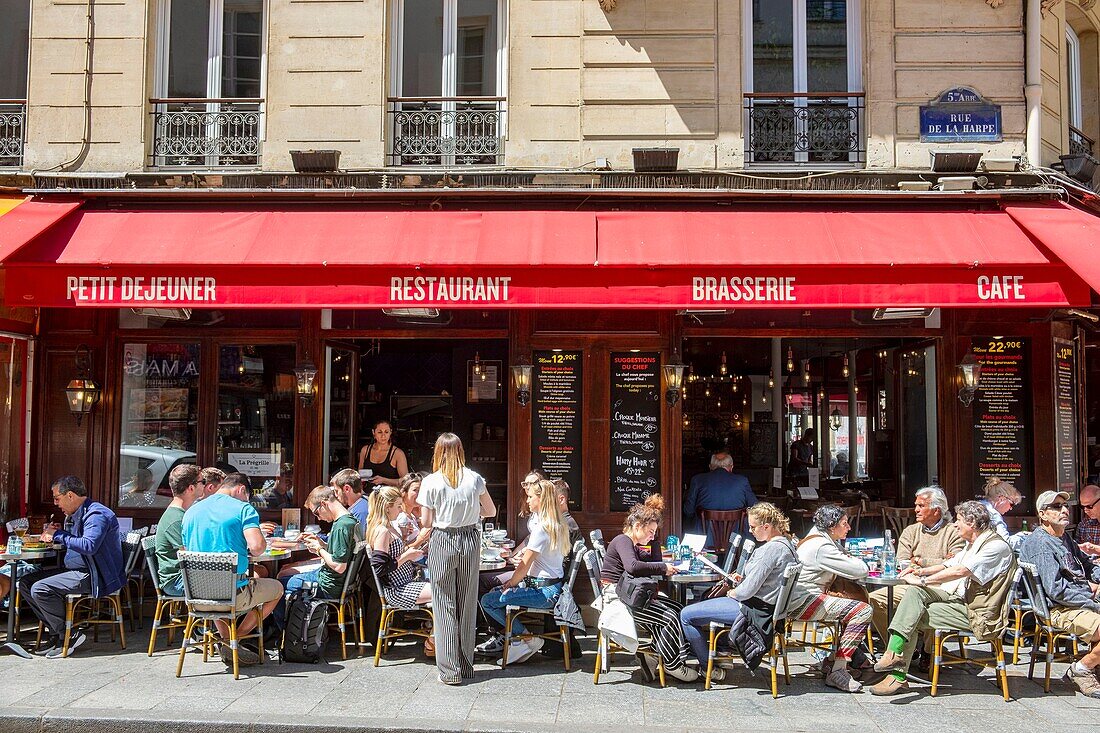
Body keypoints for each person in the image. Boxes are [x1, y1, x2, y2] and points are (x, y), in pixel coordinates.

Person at [870, 500, 1016, 696]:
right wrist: (919, 571)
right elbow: (948, 564)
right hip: (958, 598)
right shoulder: (973, 544)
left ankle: (897, 676)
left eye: (959, 520)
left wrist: (923, 581)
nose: (955, 524)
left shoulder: (995, 546)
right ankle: (892, 655)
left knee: (911, 614)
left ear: (971, 523)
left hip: (978, 612)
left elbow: (960, 570)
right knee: (912, 596)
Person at [679, 502, 806, 683]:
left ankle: (709, 668)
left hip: (751, 611)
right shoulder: (787, 546)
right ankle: (720, 653)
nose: (751, 531)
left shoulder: (770, 550)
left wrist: (731, 592)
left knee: (686, 615)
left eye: (753, 527)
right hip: (769, 612)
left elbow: (746, 592)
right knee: (702, 603)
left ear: (767, 526)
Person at [181, 471, 283, 667]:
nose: (247, 500)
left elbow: (186, 550)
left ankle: (227, 640)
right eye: (247, 496)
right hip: (233, 595)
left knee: (218, 587)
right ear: (241, 489)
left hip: (197, 596)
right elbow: (257, 547)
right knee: (277, 588)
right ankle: (238, 638)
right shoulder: (243, 509)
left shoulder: (192, 511)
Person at [417, 432, 496, 685]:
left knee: (443, 603)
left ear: (438, 452)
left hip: (443, 539)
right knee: (467, 602)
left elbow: (427, 522)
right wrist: (472, 513)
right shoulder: (474, 478)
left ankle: (449, 672)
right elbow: (491, 511)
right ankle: (466, 665)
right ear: (461, 451)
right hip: (470, 539)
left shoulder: (431, 481)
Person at [18, 476, 125, 658]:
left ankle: (69, 635)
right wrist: (64, 532)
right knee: (26, 583)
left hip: (95, 575)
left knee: (41, 588)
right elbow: (78, 540)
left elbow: (89, 546)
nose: (55, 503)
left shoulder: (96, 514)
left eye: (57, 498)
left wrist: (59, 535)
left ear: (70, 495)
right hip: (77, 570)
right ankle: (57, 633)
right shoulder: (77, 514)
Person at [600, 495, 697, 682]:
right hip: (620, 601)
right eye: (651, 532)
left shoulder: (635, 543)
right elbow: (633, 567)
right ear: (637, 527)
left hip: (630, 595)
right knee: (669, 618)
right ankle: (673, 664)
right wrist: (663, 567)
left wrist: (653, 546)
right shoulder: (623, 540)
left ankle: (653, 654)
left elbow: (648, 562)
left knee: (678, 609)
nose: (653, 536)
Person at [479, 478, 570, 665]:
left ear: (541, 499)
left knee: (488, 600)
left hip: (543, 593)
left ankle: (524, 638)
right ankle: (522, 640)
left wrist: (511, 584)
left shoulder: (542, 529)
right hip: (552, 588)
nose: (527, 501)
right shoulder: (557, 524)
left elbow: (524, 565)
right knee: (495, 593)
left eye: (530, 497)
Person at [1019, 490, 1100, 698]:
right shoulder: (1041, 544)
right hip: (1058, 608)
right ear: (1043, 514)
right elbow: (1056, 590)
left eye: (1065, 506)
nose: (1064, 510)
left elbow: (1087, 564)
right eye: (1056, 507)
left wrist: (1097, 579)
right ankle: (1081, 669)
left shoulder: (1063, 537)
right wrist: (1091, 599)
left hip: (1077, 599)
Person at [792, 504, 874, 692]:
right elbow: (860, 570)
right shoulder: (822, 547)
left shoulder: (817, 539)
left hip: (803, 596)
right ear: (831, 526)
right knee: (862, 611)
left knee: (853, 606)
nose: (849, 528)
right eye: (844, 523)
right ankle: (838, 670)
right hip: (805, 601)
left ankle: (831, 661)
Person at [868, 486, 965, 640]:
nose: (916, 510)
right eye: (916, 505)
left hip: (939, 585)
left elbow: (955, 563)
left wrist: (920, 561)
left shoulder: (953, 532)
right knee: (872, 601)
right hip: (909, 583)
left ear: (936, 510)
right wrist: (937, 562)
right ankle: (899, 648)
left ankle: (928, 652)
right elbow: (902, 560)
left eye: (921, 506)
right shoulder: (910, 531)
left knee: (932, 607)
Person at [273, 486, 362, 627]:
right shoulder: (350, 520)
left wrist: (319, 549)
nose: (318, 518)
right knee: (283, 574)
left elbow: (339, 566)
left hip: (329, 585)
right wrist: (322, 544)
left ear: (324, 504)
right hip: (337, 582)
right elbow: (342, 555)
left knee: (278, 586)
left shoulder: (341, 526)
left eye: (316, 513)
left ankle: (284, 634)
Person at [682, 452, 758, 540]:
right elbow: (755, 507)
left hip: (704, 541)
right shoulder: (742, 481)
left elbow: (688, 511)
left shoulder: (697, 480)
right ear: (732, 467)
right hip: (735, 540)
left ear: (710, 466)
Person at [154, 464, 202, 597]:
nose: (205, 485)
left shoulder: (183, 513)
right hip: (177, 581)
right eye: (202, 482)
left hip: (186, 576)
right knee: (234, 587)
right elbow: (190, 556)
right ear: (191, 488)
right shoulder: (175, 519)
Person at [358, 419, 409, 488]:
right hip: (367, 494)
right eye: (379, 432)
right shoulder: (365, 450)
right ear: (373, 432)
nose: (383, 436)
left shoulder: (398, 453)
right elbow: (360, 473)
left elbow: (406, 481)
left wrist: (384, 480)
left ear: (390, 432)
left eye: (386, 432)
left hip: (389, 496)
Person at [978, 476, 1021, 541]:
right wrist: (1023, 537)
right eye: (1012, 504)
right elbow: (1005, 542)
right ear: (1001, 499)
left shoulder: (977, 506)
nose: (1011, 508)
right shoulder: (993, 515)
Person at [395, 471, 431, 545]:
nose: (420, 494)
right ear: (403, 492)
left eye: (421, 490)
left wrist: (418, 518)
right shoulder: (401, 517)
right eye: (415, 490)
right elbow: (402, 548)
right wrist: (421, 538)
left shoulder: (412, 516)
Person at [1076, 484, 1100, 554]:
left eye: (1089, 506)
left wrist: (1095, 549)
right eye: (1083, 507)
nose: (1086, 510)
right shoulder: (1084, 524)